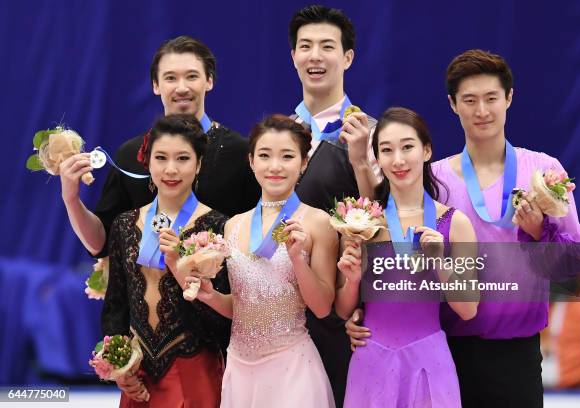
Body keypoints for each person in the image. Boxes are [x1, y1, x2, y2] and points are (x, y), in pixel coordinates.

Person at [346, 50, 580, 407]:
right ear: (452, 104)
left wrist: (538, 233)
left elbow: (575, 266)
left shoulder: (544, 171)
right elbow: (385, 236)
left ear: (509, 97)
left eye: (491, 98)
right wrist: (368, 311)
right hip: (446, 348)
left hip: (517, 353)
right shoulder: (433, 179)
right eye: (469, 100)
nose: (482, 111)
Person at [181, 115, 337, 407]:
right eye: (264, 155)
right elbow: (243, 307)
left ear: (304, 163)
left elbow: (322, 307)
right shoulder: (233, 225)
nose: (275, 166)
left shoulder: (317, 222)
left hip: (293, 369)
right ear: (251, 161)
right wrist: (212, 296)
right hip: (240, 369)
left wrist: (298, 260)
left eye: (287, 156)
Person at [59, 35, 259, 257]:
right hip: (143, 288)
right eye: (170, 78)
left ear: (209, 81)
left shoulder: (241, 153)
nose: (182, 88)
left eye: (192, 76)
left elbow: (256, 239)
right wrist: (71, 199)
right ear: (156, 85)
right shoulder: (129, 154)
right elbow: (101, 244)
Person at [336, 107, 478, 407]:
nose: (398, 160)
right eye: (386, 150)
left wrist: (440, 261)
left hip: (429, 362)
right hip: (370, 359)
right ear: (377, 158)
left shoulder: (455, 223)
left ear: (426, 150)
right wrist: (351, 281)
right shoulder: (362, 224)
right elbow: (343, 309)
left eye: (407, 147)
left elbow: (468, 309)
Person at [102, 115, 230, 407]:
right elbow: (116, 305)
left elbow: (222, 321)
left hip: (194, 368)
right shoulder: (124, 225)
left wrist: (179, 263)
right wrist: (119, 365)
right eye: (161, 158)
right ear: (147, 163)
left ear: (199, 164)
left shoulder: (219, 227)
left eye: (183, 158)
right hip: (138, 374)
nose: (171, 169)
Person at [288, 6, 381, 403]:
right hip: (280, 315)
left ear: (348, 57)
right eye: (305, 46)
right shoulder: (277, 136)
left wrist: (361, 160)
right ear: (293, 56)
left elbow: (386, 223)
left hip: (343, 316)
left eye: (327, 46)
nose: (315, 56)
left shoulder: (375, 134)